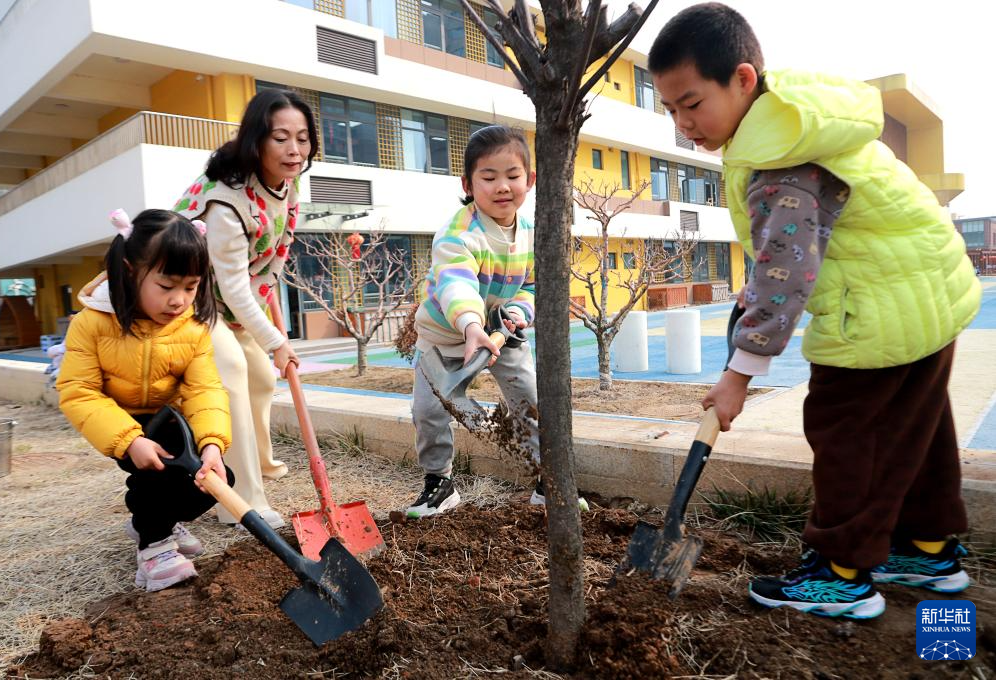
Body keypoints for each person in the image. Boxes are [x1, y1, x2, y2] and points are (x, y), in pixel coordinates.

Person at [649, 3, 981, 619]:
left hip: (879, 311)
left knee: (847, 431)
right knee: (917, 429)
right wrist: (756, 292)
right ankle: (928, 549)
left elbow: (788, 271)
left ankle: (841, 574)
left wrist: (738, 374)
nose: (681, 125)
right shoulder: (797, 115)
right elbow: (799, 246)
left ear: (743, 79)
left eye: (691, 104)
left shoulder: (783, 161)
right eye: (670, 109)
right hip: (930, 291)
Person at [406, 125, 587, 518]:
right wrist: (471, 326)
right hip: (445, 338)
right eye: (488, 177)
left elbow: (534, 286)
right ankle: (439, 483)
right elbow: (457, 283)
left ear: (531, 180)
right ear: (468, 183)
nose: (502, 186)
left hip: (501, 333)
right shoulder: (458, 233)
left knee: (530, 402)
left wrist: (518, 314)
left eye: (512, 175)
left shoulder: (534, 234)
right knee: (428, 411)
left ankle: (547, 481)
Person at [57, 209, 233, 591]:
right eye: (167, 286)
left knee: (215, 478)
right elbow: (78, 390)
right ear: (130, 270)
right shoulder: (92, 323)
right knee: (154, 476)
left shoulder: (193, 328)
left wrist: (212, 444)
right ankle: (153, 549)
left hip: (168, 418)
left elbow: (205, 390)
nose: (179, 300)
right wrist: (129, 440)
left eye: (190, 287)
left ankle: (154, 522)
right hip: (118, 420)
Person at [175, 89, 317, 528]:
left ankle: (258, 461)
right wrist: (275, 340)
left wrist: (270, 319)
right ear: (256, 140)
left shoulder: (285, 186)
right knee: (232, 372)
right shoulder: (227, 199)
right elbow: (232, 285)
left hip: (232, 303)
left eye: (303, 137)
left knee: (259, 377)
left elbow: (271, 260)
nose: (295, 150)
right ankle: (240, 499)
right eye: (280, 138)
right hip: (189, 302)